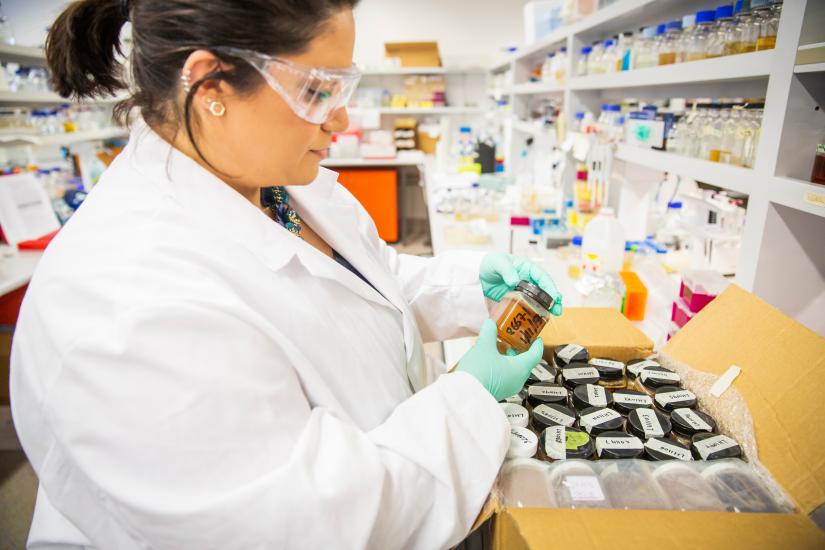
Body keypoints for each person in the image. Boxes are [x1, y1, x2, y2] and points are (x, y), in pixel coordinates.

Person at [10, 0, 563, 548]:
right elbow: (307, 525)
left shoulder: (265, 179)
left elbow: (361, 285)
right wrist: (471, 398)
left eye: (342, 87)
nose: (340, 118)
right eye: (317, 90)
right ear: (210, 85)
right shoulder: (127, 308)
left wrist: (471, 288)